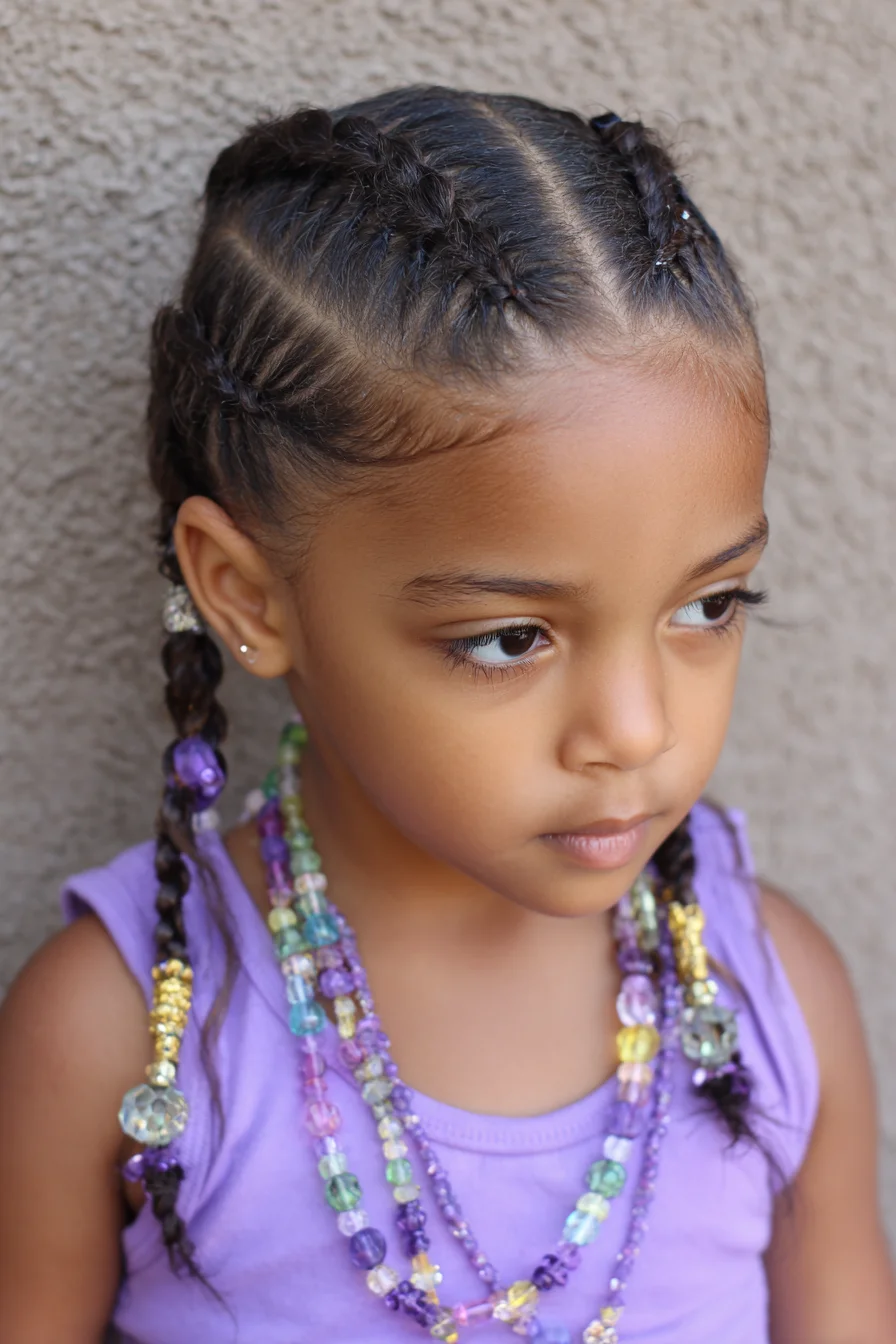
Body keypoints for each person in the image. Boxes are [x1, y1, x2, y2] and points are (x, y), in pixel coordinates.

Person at [0, 86, 893, 1344]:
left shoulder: (769, 1006)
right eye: (509, 638)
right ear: (247, 597)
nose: (634, 730)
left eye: (707, 605)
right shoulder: (117, 1038)